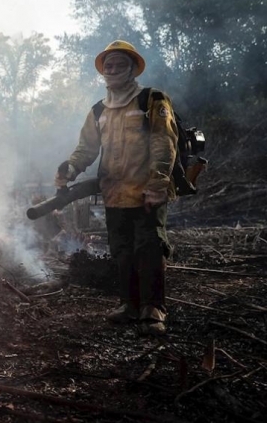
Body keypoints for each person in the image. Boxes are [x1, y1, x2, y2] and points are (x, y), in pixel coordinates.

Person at [56, 40, 177, 336]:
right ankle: (130, 305)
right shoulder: (99, 110)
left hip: (147, 192)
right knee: (122, 251)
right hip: (114, 195)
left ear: (133, 68)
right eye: (108, 65)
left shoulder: (151, 100)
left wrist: (158, 183)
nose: (112, 70)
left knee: (149, 248)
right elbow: (86, 149)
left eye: (119, 64)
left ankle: (154, 309)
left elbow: (164, 143)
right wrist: (69, 169)